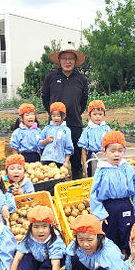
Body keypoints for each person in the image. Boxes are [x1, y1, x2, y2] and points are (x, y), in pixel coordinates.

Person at [89, 130, 135, 255]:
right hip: (108, 208)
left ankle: (128, 255)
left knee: (127, 230)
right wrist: (100, 214)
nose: (117, 155)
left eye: (120, 151)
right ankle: (114, 256)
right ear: (104, 151)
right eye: (112, 151)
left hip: (125, 204)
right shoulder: (101, 170)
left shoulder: (127, 168)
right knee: (110, 233)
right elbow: (94, 194)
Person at [2, 206, 66, 270]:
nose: (40, 231)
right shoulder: (28, 239)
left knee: (49, 263)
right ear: (30, 227)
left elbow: (56, 265)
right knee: (25, 256)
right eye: (36, 227)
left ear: (51, 227)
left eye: (44, 226)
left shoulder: (55, 242)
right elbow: (17, 259)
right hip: (38, 267)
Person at [42, 43, 88, 179]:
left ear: (75, 61)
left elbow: (83, 101)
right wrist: (55, 115)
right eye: (64, 58)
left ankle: (77, 182)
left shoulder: (81, 79)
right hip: (54, 125)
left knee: (75, 157)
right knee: (53, 158)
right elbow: (45, 97)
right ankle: (53, 185)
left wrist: (74, 112)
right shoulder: (51, 77)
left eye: (71, 59)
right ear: (59, 60)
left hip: (74, 123)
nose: (67, 61)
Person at [78, 99, 111, 177]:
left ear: (104, 115)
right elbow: (83, 148)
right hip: (92, 156)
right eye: (95, 114)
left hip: (105, 155)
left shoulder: (106, 128)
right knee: (93, 175)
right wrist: (84, 162)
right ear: (89, 116)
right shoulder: (87, 130)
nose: (97, 117)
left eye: (100, 114)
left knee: (105, 175)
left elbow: (111, 144)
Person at [39, 102, 74, 169]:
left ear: (63, 116)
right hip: (46, 159)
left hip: (59, 161)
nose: (56, 118)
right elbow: (39, 143)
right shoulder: (47, 128)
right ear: (50, 116)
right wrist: (45, 141)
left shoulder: (66, 130)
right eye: (53, 116)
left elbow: (69, 148)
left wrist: (66, 162)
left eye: (58, 116)